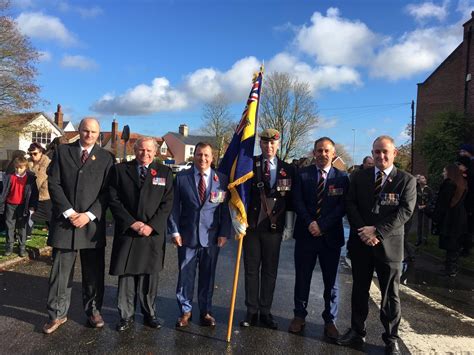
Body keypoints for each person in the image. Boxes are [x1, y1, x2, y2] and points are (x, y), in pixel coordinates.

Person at [338, 135, 416, 355]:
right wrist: (364, 231)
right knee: (359, 290)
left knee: (390, 294)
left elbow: (405, 211)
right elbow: (350, 204)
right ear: (372, 153)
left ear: (394, 154)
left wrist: (377, 232)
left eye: (385, 152)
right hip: (361, 243)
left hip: (389, 246)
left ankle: (391, 338)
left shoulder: (406, 180)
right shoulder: (359, 177)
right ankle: (356, 331)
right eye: (376, 152)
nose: (380, 156)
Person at [43, 118, 114, 334]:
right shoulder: (63, 152)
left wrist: (90, 215)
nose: (89, 135)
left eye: (93, 131)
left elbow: (108, 191)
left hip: (91, 226)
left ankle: (93, 311)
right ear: (79, 131)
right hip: (65, 223)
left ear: (99, 133)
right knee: (60, 274)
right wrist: (70, 212)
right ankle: (57, 315)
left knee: (93, 274)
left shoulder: (106, 158)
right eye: (85, 130)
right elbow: (53, 183)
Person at [108, 137, 174, 331]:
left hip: (152, 234)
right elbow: (114, 199)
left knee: (149, 275)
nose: (144, 154)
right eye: (141, 150)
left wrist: (151, 226)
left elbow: (167, 203)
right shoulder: (120, 170)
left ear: (155, 152)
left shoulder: (165, 172)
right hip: (129, 231)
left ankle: (149, 313)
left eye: (149, 151)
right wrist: (132, 223)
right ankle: (125, 315)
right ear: (134, 150)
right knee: (127, 274)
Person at [288, 137, 349, 341]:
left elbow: (342, 207)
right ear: (313, 153)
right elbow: (297, 201)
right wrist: (310, 223)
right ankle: (299, 315)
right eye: (319, 150)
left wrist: (322, 225)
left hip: (330, 238)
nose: (323, 154)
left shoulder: (342, 177)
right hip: (306, 235)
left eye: (327, 151)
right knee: (302, 277)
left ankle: (330, 320)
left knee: (331, 282)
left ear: (333, 154)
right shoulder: (302, 175)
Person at [168, 142, 231, 328]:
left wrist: (224, 232)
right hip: (187, 237)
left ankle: (206, 311)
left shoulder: (222, 179)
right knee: (185, 275)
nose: (202, 158)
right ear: (193, 156)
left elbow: (225, 210)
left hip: (211, 238)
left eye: (206, 155)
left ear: (212, 158)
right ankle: (185, 311)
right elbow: (174, 208)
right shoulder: (181, 178)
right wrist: (175, 230)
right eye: (199, 154)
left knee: (208, 276)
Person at [240, 128, 294, 330]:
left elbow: (290, 201)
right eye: (265, 143)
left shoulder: (288, 169)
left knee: (270, 272)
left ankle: (265, 311)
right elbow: (240, 193)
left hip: (274, 228)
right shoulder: (249, 165)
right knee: (252, 270)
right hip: (252, 227)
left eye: (272, 143)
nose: (269, 146)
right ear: (260, 144)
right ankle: (251, 310)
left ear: (278, 144)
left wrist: (289, 226)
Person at [431, 164, 467, 277]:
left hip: (450, 217)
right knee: (455, 243)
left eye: (444, 172)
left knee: (450, 243)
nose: (443, 174)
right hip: (461, 217)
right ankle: (452, 267)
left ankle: (450, 268)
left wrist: (434, 215)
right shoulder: (463, 184)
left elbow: (442, 203)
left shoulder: (449, 184)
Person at [0, 156, 38, 256]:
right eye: (16, 167)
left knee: (22, 227)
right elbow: (4, 192)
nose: (18, 170)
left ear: (26, 167)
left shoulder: (30, 178)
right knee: (9, 226)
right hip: (10, 205)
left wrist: (32, 206)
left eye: (21, 167)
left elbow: (34, 193)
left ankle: (22, 248)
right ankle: (9, 247)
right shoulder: (9, 177)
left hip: (23, 206)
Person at [27, 142, 52, 232]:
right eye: (30, 154)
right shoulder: (28, 163)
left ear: (41, 152)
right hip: (31, 194)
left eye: (35, 153)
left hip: (45, 195)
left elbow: (40, 179)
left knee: (49, 218)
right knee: (29, 215)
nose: (32, 156)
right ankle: (27, 234)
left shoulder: (47, 163)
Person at [456, 155, 473, 257]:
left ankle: (466, 249)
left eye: (459, 165)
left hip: (467, 206)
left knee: (467, 229)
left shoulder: (469, 176)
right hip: (461, 205)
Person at [415, 175, 433, 247]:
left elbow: (431, 199)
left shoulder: (429, 189)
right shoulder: (417, 189)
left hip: (426, 209)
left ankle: (425, 239)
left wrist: (426, 205)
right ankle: (419, 239)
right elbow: (415, 198)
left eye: (425, 178)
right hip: (419, 209)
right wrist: (418, 206)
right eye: (422, 178)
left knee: (426, 224)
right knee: (419, 224)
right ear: (419, 181)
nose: (424, 179)